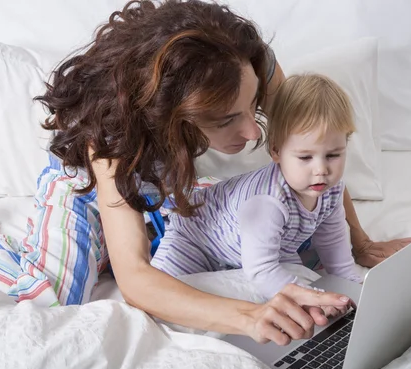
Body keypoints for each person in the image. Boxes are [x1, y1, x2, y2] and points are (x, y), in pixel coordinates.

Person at [0, 0, 411, 345]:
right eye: (228, 119)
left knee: (284, 232)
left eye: (253, 108)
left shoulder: (249, 63)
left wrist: (360, 242)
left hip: (169, 186)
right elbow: (136, 278)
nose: (252, 133)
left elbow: (309, 143)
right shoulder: (111, 139)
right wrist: (249, 317)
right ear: (167, 111)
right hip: (88, 190)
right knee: (52, 295)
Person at [152, 74, 362, 308]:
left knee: (298, 274)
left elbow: (334, 247)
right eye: (305, 157)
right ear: (276, 151)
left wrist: (355, 290)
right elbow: (263, 271)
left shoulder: (332, 192)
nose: (321, 170)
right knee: (159, 298)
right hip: (195, 236)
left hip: (248, 248)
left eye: (333, 155)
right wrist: (312, 299)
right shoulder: (268, 202)